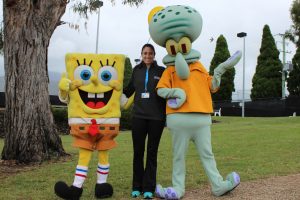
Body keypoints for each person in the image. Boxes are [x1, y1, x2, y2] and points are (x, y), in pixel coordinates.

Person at [123, 43, 166, 199]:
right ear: (141, 54)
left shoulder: (161, 71)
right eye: (145, 53)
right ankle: (137, 186)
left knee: (152, 153)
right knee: (138, 153)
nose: (147, 56)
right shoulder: (136, 70)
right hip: (139, 117)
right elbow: (128, 90)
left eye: (150, 53)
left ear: (154, 55)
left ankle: (149, 187)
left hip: (157, 118)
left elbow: (168, 89)